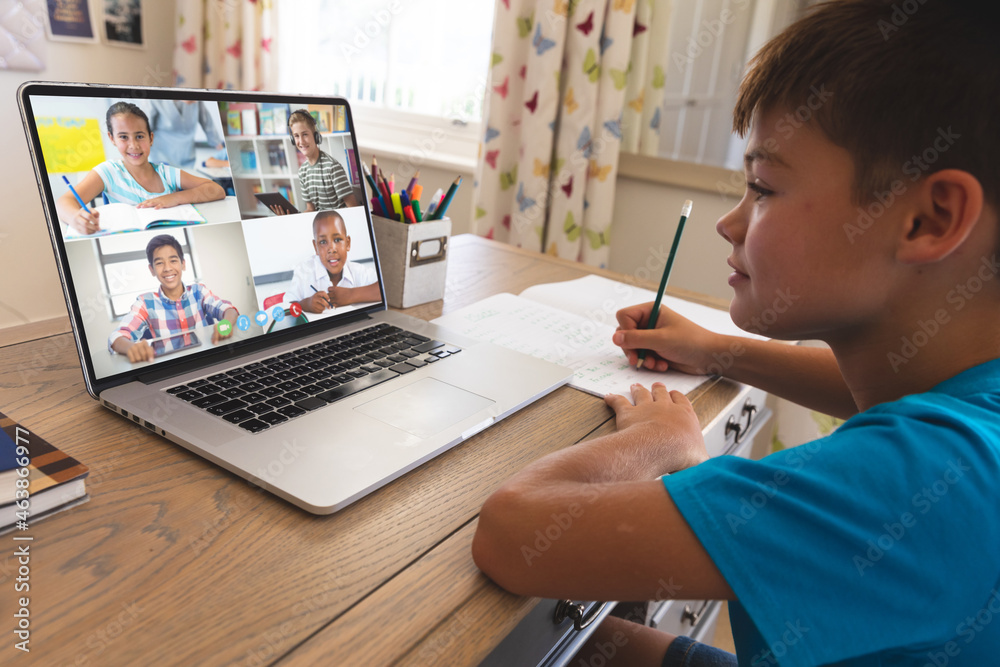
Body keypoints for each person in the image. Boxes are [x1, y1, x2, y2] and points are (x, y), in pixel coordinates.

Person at [472, 1, 1000, 665]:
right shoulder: (970, 400)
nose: (731, 223)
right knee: (572, 644)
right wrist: (711, 347)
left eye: (763, 186)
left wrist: (662, 445)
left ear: (930, 219)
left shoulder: (927, 478)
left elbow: (511, 530)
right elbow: (862, 387)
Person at [56, 101, 226, 236]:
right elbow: (64, 202)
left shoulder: (166, 173)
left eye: (139, 136)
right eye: (123, 137)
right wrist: (74, 218)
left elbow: (216, 190)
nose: (134, 145)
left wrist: (174, 198)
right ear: (112, 138)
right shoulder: (108, 172)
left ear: (151, 138)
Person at [109, 235, 238, 363]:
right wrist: (132, 347)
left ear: (183, 264)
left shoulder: (198, 291)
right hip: (172, 368)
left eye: (173, 260)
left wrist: (226, 324)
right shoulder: (145, 303)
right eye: (159, 263)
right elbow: (117, 336)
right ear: (152, 270)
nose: (167, 268)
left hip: (209, 360)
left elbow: (228, 309)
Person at [284, 210, 380, 314]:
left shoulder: (358, 271)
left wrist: (351, 295)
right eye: (323, 242)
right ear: (316, 247)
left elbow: (385, 288)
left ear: (348, 243)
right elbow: (285, 308)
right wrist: (306, 304)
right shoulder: (304, 272)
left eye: (338, 240)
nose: (332, 249)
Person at [270, 109, 359, 215]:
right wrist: (291, 217)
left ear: (316, 136)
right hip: (318, 226)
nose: (301, 141)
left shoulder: (332, 167)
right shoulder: (302, 172)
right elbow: (310, 209)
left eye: (305, 134)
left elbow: (354, 210)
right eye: (297, 136)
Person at [148, 99, 225, 170]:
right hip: (161, 156)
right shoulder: (154, 99)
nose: (195, 101)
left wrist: (219, 145)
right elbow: (145, 129)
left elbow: (206, 120)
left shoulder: (196, 100)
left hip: (187, 156)